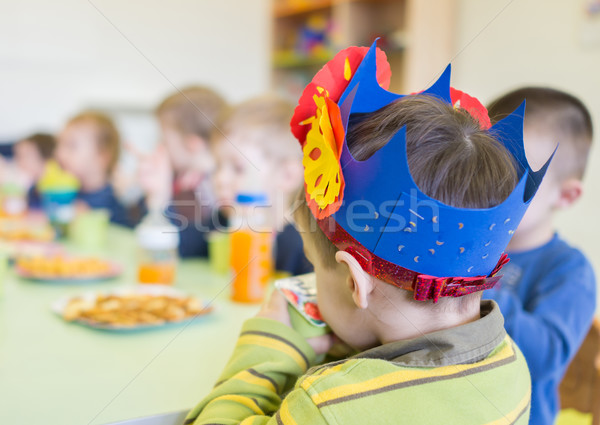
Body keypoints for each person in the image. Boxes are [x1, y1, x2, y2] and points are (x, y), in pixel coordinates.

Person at [184, 44, 549, 424]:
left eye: (315, 268)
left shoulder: (326, 406)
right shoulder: (513, 367)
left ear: (356, 283)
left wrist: (266, 350)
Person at [483, 87, 596, 425]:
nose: (488, 188)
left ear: (566, 196)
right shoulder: (468, 245)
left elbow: (544, 357)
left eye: (512, 177)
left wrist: (474, 284)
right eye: (483, 167)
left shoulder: (570, 270)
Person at [211, 95, 312, 276]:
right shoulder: (222, 222)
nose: (220, 179)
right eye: (217, 166)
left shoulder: (302, 249)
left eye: (238, 168)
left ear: (287, 175)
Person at [137, 86, 227, 257]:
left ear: (192, 144)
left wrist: (159, 195)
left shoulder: (209, 185)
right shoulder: (181, 176)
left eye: (164, 140)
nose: (159, 147)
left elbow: (183, 246)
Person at [55, 111, 131, 227]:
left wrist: (88, 216)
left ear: (102, 156)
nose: (59, 153)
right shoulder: (70, 193)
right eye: (59, 144)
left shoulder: (114, 202)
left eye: (71, 146)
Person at [13, 133, 56, 209]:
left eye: (24, 155)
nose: (19, 162)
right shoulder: (33, 189)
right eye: (18, 156)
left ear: (46, 155)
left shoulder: (56, 187)